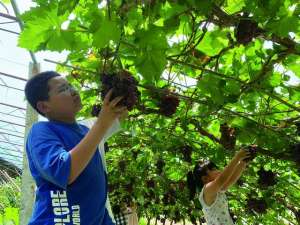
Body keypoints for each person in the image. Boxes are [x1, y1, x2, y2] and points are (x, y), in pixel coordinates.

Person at [24, 71, 127, 224]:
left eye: (70, 85)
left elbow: (96, 199)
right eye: (63, 89)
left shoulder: (87, 133)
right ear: (44, 106)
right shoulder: (41, 131)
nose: (72, 91)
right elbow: (64, 170)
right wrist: (102, 123)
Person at [187, 149, 252, 225]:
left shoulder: (218, 191)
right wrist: (237, 158)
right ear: (205, 178)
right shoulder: (207, 190)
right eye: (214, 169)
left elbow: (231, 179)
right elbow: (222, 180)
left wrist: (243, 162)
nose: (219, 171)